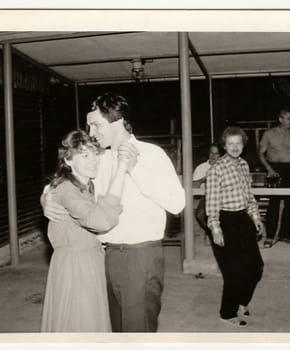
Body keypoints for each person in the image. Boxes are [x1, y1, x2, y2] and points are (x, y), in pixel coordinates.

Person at [43, 92, 186, 332]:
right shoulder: (100, 158)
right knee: (113, 332)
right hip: (105, 257)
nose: (91, 131)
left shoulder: (152, 154)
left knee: (136, 332)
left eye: (96, 124)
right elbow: (69, 178)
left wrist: (134, 169)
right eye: (89, 125)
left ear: (118, 122)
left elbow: (177, 203)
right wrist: (46, 196)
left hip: (140, 257)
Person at [40, 130, 137, 332]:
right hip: (75, 266)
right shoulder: (67, 188)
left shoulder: (87, 184)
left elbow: (51, 191)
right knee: (81, 324)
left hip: (89, 260)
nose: (93, 160)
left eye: (94, 154)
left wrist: (46, 197)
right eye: (84, 155)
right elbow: (99, 221)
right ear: (68, 161)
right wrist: (122, 169)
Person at [206, 126, 265, 327]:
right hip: (225, 221)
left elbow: (248, 195)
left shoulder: (244, 165)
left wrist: (255, 217)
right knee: (234, 271)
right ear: (224, 146)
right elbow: (211, 203)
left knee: (256, 267)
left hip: (243, 219)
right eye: (230, 144)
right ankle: (227, 312)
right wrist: (216, 229)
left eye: (238, 143)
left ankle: (241, 302)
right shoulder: (216, 169)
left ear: (243, 145)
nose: (234, 147)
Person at [258, 108, 290, 248]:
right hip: (274, 169)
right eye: (288, 118)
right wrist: (269, 169)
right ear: (280, 119)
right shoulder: (269, 134)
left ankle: (285, 235)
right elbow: (261, 153)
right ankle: (270, 236)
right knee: (273, 203)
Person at [193, 143, 221, 233]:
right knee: (200, 214)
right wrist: (203, 180)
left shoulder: (224, 167)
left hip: (222, 197)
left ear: (220, 155)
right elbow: (192, 186)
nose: (213, 156)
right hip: (206, 197)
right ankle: (213, 233)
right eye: (211, 153)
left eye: (216, 154)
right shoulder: (201, 168)